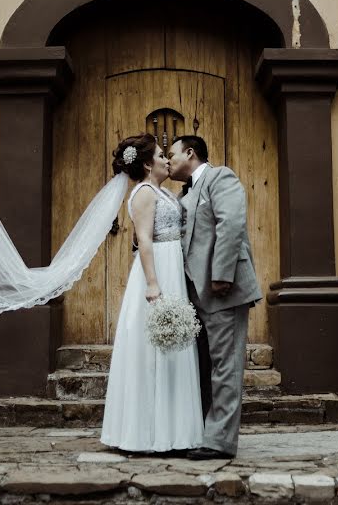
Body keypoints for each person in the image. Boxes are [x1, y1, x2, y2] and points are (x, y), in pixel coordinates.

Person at [100, 133, 204, 453]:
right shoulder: (145, 192)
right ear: (147, 164)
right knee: (154, 349)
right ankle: (144, 434)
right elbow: (144, 239)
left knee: (173, 348)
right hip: (158, 269)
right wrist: (153, 283)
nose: (166, 159)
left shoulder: (162, 192)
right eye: (161, 155)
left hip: (171, 265)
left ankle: (175, 431)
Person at [167, 135, 262, 460]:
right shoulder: (183, 194)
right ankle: (204, 433)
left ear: (190, 153)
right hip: (193, 296)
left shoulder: (220, 177)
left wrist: (222, 274)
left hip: (224, 290)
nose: (168, 161)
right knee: (203, 367)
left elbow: (231, 223)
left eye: (172, 154)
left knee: (225, 366)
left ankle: (220, 442)